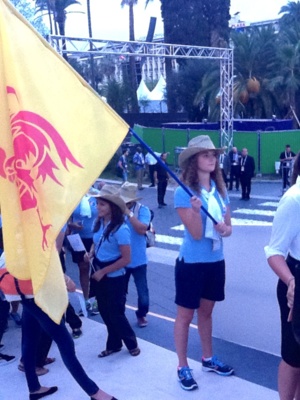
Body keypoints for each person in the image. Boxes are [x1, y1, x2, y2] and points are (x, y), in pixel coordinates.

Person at [0, 253, 118, 400]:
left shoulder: (15, 237)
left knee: (29, 339)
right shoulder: (34, 233)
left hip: (24, 292)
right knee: (65, 343)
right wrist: (66, 280)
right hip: (38, 295)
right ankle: (95, 393)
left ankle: (34, 388)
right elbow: (42, 259)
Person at [174, 135, 234, 391]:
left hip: (215, 261)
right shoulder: (183, 192)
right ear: (194, 160)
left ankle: (208, 358)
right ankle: (182, 365)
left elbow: (229, 229)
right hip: (192, 263)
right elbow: (196, 234)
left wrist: (223, 228)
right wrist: (196, 211)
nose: (212, 159)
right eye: (206, 155)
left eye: (214, 155)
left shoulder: (220, 192)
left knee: (207, 313)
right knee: (186, 315)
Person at [85, 185, 140, 358]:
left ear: (112, 207)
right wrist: (92, 252)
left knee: (116, 312)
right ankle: (114, 344)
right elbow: (97, 240)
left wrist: (103, 272)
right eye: (97, 203)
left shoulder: (121, 229)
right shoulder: (100, 223)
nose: (97, 207)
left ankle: (131, 343)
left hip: (114, 276)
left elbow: (126, 259)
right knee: (104, 310)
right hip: (99, 270)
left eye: (102, 204)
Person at [265, 152, 300, 400]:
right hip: (296, 280)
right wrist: (290, 281)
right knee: (293, 356)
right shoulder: (294, 199)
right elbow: (274, 252)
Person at [119, 182, 151, 328]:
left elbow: (141, 229)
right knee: (120, 292)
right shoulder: (116, 212)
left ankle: (141, 314)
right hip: (120, 260)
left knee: (143, 294)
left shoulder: (143, 211)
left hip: (139, 260)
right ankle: (120, 316)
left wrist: (129, 214)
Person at [68, 192, 98, 311]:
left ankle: (96, 299)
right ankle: (86, 299)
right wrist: (71, 224)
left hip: (95, 237)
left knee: (96, 269)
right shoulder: (72, 196)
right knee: (83, 268)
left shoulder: (96, 196)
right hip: (78, 238)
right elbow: (67, 219)